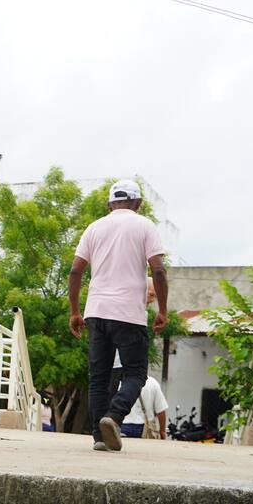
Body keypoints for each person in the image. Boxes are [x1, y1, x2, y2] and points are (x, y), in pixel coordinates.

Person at [68, 179, 168, 452]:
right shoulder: (145, 226)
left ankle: (100, 439)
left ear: (110, 204)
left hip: (96, 312)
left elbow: (75, 271)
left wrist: (75, 312)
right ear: (137, 203)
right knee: (135, 373)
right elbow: (158, 270)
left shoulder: (94, 228)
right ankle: (113, 417)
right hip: (129, 314)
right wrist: (162, 310)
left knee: (98, 377)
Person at [120, 375, 169, 439]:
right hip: (145, 428)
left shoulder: (120, 382)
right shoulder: (152, 383)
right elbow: (161, 411)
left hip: (122, 425)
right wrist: (162, 432)